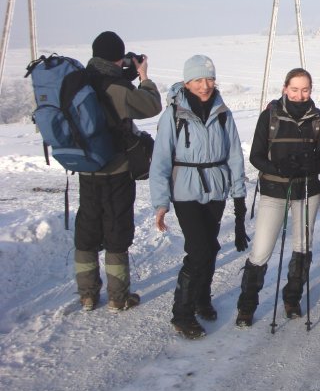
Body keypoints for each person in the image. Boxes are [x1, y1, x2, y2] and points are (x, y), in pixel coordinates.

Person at [150, 55, 248, 339]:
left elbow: (234, 156)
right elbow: (160, 161)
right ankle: (181, 313)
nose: (204, 86)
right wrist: (161, 203)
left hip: (215, 188)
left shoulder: (223, 112)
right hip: (186, 189)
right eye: (197, 80)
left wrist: (239, 194)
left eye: (209, 79)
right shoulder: (173, 114)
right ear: (187, 82)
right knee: (199, 250)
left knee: (211, 247)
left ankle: (202, 298)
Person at [235, 68, 320, 327]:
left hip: (307, 191)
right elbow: (255, 156)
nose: (300, 95)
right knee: (261, 251)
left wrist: (313, 164)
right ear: (285, 88)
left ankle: (292, 299)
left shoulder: (319, 119)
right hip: (274, 191)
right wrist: (278, 168)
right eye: (295, 89)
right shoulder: (270, 116)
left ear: (311, 90)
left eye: (305, 89)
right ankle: (246, 306)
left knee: (302, 248)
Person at [75, 31, 162, 312]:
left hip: (87, 168)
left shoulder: (81, 82)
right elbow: (151, 106)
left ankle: (87, 295)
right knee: (116, 229)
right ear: (118, 56)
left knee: (87, 229)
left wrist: (125, 75)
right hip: (116, 169)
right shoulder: (116, 87)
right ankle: (118, 297)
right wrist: (144, 76)